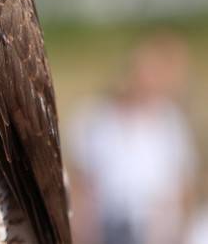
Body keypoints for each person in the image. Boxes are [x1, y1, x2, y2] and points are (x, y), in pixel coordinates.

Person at [68, 34, 198, 244]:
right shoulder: (94, 118)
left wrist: (179, 229)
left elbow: (185, 187)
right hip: (105, 229)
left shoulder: (171, 123)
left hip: (157, 231)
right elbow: (78, 181)